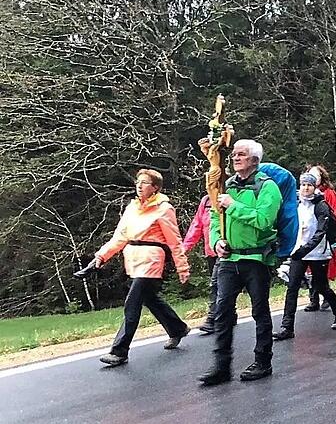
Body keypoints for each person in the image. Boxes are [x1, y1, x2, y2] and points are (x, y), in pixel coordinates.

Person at [85, 169, 191, 367]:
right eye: (138, 182)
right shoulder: (132, 208)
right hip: (133, 260)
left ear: (155, 188)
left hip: (151, 260)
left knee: (131, 304)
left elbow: (175, 241)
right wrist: (100, 257)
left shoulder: (164, 208)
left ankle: (119, 351)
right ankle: (177, 328)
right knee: (151, 299)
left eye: (145, 183)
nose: (139, 186)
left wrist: (182, 267)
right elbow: (120, 237)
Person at [199, 140, 280, 385]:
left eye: (241, 155)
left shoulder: (268, 188)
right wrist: (216, 242)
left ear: (255, 160)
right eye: (234, 154)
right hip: (228, 259)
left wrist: (233, 206)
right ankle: (221, 367)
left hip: (256, 258)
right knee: (221, 313)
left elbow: (264, 220)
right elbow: (214, 217)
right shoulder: (226, 186)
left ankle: (263, 361)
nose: (235, 158)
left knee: (260, 310)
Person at [273, 173, 336, 341]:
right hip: (299, 252)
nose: (306, 188)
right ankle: (287, 327)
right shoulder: (297, 204)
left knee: (321, 286)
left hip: (318, 253)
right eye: (304, 185)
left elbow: (321, 232)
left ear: (315, 187)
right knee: (292, 287)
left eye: (309, 185)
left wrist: (305, 249)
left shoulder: (321, 206)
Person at [304, 164, 336, 311]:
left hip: (322, 239)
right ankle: (314, 299)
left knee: (321, 271)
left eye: (317, 176)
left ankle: (326, 298)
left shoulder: (329, 194)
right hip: (308, 238)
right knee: (309, 270)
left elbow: (334, 219)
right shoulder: (304, 195)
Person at [182, 195, 218, 334]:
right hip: (211, 251)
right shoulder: (206, 200)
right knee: (219, 285)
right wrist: (185, 248)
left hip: (226, 251)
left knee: (216, 285)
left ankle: (212, 318)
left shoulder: (230, 195)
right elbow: (197, 225)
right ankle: (229, 315)